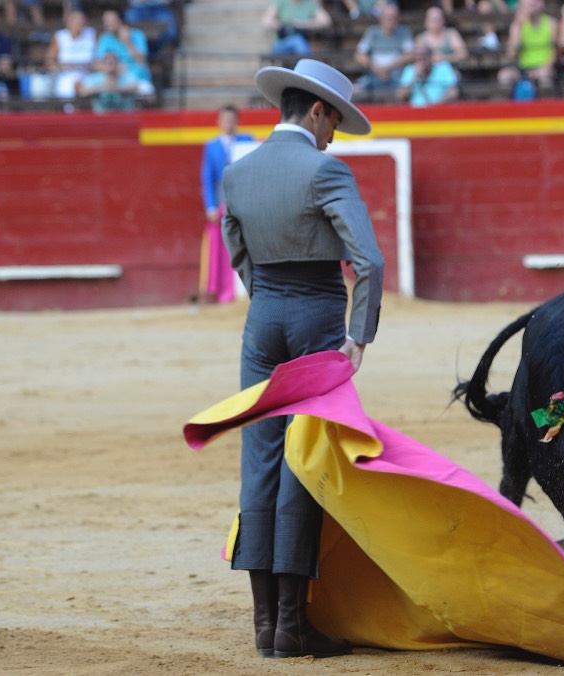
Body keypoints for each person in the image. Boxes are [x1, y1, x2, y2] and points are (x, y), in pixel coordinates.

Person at [220, 59, 384, 659]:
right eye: (334, 119)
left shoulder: (238, 172)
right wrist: (358, 335)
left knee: (259, 459)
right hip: (317, 317)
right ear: (315, 110)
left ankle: (264, 628)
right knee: (303, 457)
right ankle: (294, 623)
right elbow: (368, 260)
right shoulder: (325, 169)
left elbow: (236, 247)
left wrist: (266, 300)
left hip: (261, 322)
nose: (335, 132)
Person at [198, 104, 254, 304]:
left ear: (237, 122)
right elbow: (208, 178)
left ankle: (247, 289)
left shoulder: (248, 141)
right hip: (222, 199)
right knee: (220, 245)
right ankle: (221, 290)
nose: (228, 123)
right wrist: (211, 206)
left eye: (231, 120)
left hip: (244, 200)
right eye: (225, 120)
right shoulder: (211, 146)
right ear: (219, 122)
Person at [353, 3, 414, 97]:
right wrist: (376, 68)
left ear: (398, 18)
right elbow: (359, 55)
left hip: (397, 75)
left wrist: (387, 68)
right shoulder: (372, 32)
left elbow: (410, 55)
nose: (391, 20)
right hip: (374, 74)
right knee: (355, 90)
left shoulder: (404, 32)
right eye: (388, 17)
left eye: (394, 17)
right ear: (381, 18)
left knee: (408, 89)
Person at [497, 0, 558, 91]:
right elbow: (511, 54)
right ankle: (509, 104)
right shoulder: (517, 24)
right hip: (523, 68)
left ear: (542, 4)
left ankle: (547, 103)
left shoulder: (551, 23)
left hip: (545, 68)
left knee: (544, 75)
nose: (531, 3)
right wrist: (518, 27)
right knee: (504, 75)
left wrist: (541, 70)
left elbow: (555, 52)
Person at [95, 9, 155, 95]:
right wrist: (114, 69)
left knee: (146, 90)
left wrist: (127, 41)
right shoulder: (105, 38)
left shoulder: (137, 35)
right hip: (112, 80)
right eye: (105, 21)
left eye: (110, 20)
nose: (107, 23)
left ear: (120, 21)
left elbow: (141, 61)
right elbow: (97, 63)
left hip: (137, 78)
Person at [44, 9, 96, 98]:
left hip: (88, 73)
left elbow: (98, 57)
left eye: (81, 20)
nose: (78, 23)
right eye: (76, 21)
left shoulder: (91, 34)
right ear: (69, 23)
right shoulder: (60, 36)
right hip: (66, 75)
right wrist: (62, 67)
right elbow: (49, 61)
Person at [75, 50, 143, 111]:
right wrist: (102, 88)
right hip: (101, 119)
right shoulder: (94, 79)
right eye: (108, 63)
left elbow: (136, 88)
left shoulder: (126, 77)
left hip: (124, 118)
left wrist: (117, 88)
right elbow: (82, 92)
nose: (110, 66)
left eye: (113, 62)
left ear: (118, 64)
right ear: (103, 65)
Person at [262, 0, 331, 57]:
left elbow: (325, 21)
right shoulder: (281, 2)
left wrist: (302, 24)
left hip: (302, 43)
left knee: (298, 41)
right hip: (281, 42)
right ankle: (303, 69)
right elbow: (266, 21)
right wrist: (285, 25)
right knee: (297, 41)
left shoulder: (309, 3)